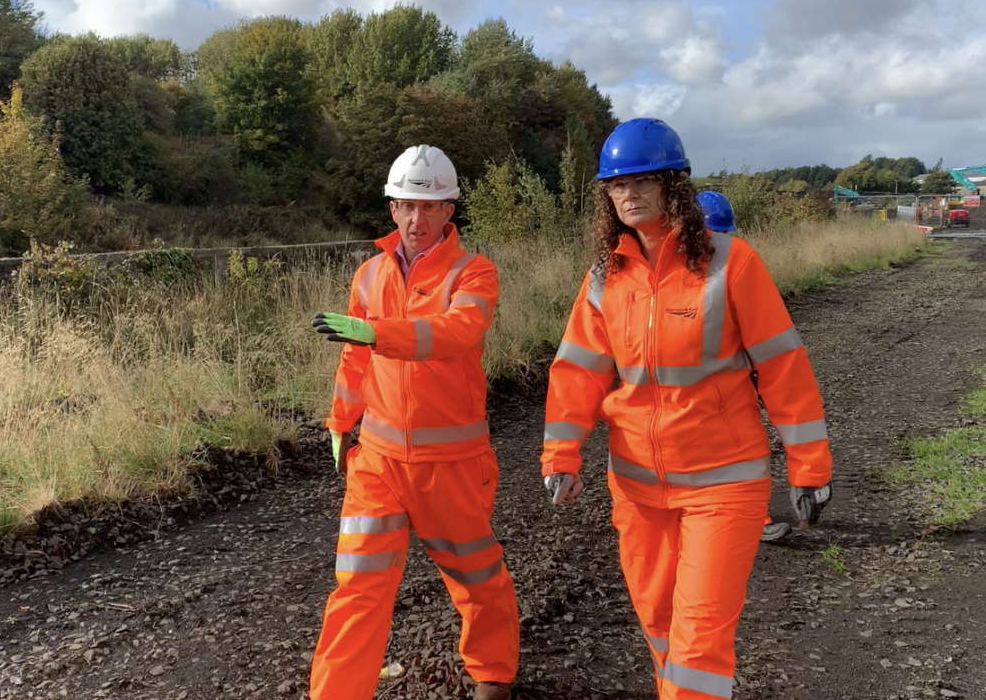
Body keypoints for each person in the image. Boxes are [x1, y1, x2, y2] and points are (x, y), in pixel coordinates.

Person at [541, 119, 833, 699]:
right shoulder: (605, 276)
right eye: (617, 184)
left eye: (643, 180)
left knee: (699, 638)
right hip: (637, 487)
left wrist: (810, 465)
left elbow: (783, 368)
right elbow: (578, 370)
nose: (628, 193)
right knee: (659, 622)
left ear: (674, 185)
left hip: (724, 485)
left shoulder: (732, 263)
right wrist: (562, 451)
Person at [306, 144, 518, 700]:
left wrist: (379, 333)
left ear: (450, 210)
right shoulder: (369, 274)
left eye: (429, 207)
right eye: (406, 206)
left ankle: (493, 674)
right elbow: (354, 359)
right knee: (357, 588)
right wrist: (340, 420)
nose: (416, 219)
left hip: (450, 466)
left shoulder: (475, 273)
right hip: (376, 462)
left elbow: (455, 333)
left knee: (475, 577)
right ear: (391, 208)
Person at [697, 189, 792, 543]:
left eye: (723, 234)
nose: (718, 241)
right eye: (714, 232)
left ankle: (754, 516)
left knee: (742, 450)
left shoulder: (737, 266)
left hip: (732, 386)